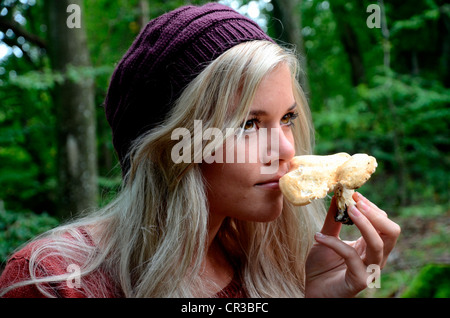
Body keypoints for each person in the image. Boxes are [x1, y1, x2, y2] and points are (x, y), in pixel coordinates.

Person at [0, 3, 400, 298]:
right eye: (248, 124)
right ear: (173, 145)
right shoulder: (54, 280)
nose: (283, 149)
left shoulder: (266, 267)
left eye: (288, 118)